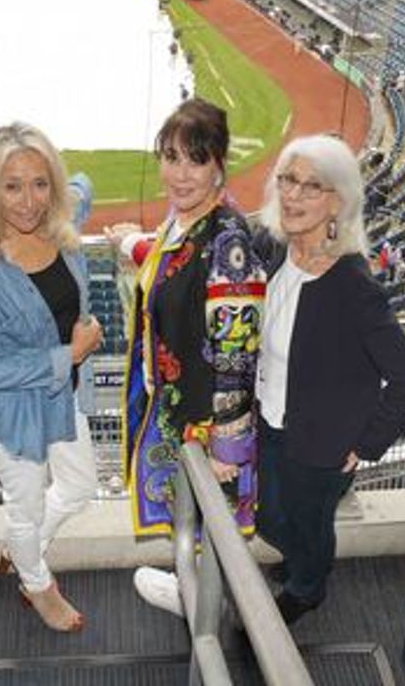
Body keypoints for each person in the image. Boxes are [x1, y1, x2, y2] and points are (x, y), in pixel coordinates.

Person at [253, 136, 405, 623]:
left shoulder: (354, 286)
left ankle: (308, 585)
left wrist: (367, 443)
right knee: (267, 515)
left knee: (308, 522)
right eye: (288, 179)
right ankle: (304, 559)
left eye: (312, 186)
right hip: (267, 418)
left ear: (339, 202)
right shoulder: (272, 246)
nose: (292, 195)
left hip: (322, 444)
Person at [109, 98, 264, 617]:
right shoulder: (185, 223)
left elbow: (238, 352)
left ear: (219, 165)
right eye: (170, 157)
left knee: (210, 522)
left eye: (195, 160)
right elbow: (170, 265)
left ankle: (204, 606)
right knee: (193, 518)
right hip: (181, 411)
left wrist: (229, 444)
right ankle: (192, 587)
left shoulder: (229, 241)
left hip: (207, 425)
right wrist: (131, 241)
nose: (179, 173)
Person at [0, 123, 102, 634]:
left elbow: (83, 185)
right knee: (26, 505)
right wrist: (70, 354)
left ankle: (23, 550)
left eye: (41, 183)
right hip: (16, 414)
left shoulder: (60, 221)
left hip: (67, 399)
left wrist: (108, 221)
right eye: (12, 185)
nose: (28, 201)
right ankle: (37, 584)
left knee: (80, 487)